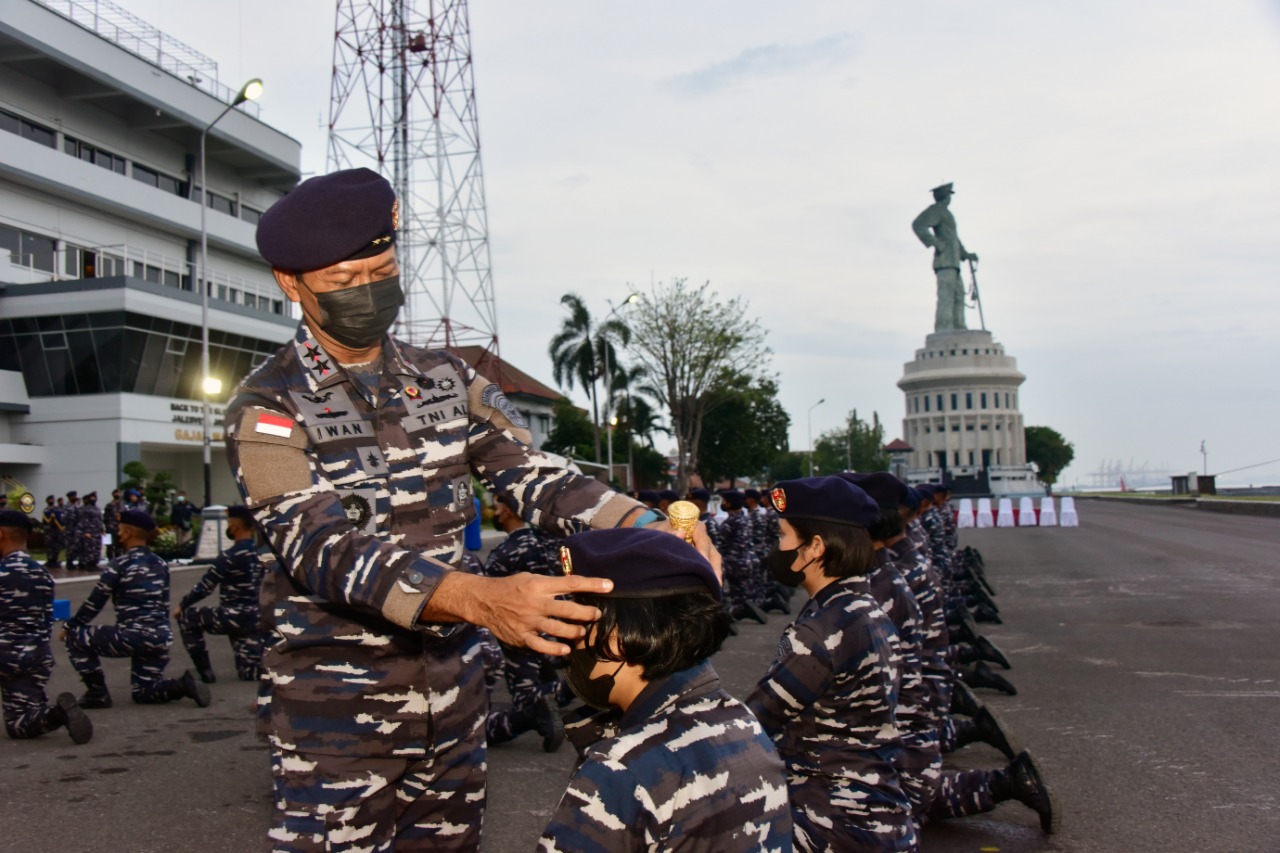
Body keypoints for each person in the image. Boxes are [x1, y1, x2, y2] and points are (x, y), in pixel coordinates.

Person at [226, 167, 719, 851]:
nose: (368, 289)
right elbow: (323, 548)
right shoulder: (267, 407)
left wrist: (648, 526)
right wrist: (480, 599)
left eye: (383, 266)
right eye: (344, 281)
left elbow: (534, 474)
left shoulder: (449, 379)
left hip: (455, 712)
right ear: (292, 282)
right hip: (336, 729)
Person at [539, 527, 791, 852]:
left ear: (620, 633)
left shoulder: (621, 767)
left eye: (578, 616)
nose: (567, 635)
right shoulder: (736, 717)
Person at [747, 476, 918, 853]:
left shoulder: (823, 631)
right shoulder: (865, 609)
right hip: (876, 815)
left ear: (815, 548)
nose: (777, 547)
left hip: (830, 825)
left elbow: (753, 724)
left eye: (783, 536)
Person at [61, 509, 210, 709]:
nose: (117, 533)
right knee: (144, 692)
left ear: (128, 533)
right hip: (160, 638)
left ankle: (97, 693)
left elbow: (94, 603)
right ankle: (181, 685)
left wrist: (70, 625)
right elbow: (163, 603)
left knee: (75, 637)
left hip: (132, 637)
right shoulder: (160, 563)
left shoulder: (119, 564)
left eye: (120, 529)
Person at [0, 510, 93, 744]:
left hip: (4, 655)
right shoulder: (43, 574)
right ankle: (57, 713)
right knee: (19, 723)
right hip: (36, 658)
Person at [482, 494, 563, 752]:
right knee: (546, 680)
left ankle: (533, 714)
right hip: (558, 632)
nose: (494, 511)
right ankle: (562, 692)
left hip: (520, 635)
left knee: (524, 696)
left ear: (507, 510)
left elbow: (485, 600)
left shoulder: (506, 552)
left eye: (497, 505)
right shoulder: (552, 542)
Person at [174, 505, 267, 683]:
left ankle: (205, 671)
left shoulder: (230, 556)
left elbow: (205, 587)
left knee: (188, 618)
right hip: (256, 619)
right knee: (248, 673)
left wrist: (182, 605)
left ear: (234, 526)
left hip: (232, 617)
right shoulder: (262, 555)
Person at [911, 183, 978, 332]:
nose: (950, 198)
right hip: (944, 261)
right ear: (945, 196)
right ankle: (944, 328)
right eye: (949, 195)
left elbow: (953, 238)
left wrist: (965, 254)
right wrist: (936, 244)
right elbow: (918, 225)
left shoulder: (947, 214)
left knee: (959, 295)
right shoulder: (936, 210)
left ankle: (959, 327)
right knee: (946, 296)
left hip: (953, 262)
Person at [73, 491, 104, 573]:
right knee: (90, 548)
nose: (93, 499)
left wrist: (102, 529)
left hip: (97, 531)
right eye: (92, 497)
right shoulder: (86, 509)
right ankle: (90, 564)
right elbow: (84, 521)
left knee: (97, 548)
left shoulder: (97, 508)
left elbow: (100, 520)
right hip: (90, 531)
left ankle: (95, 563)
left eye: (95, 497)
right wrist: (86, 532)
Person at [41, 495, 64, 569]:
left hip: (57, 531)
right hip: (49, 532)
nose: (52, 501)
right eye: (50, 500)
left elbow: (61, 517)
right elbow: (46, 521)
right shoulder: (46, 510)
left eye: (53, 499)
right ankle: (50, 561)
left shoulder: (57, 509)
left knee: (57, 546)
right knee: (50, 546)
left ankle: (55, 560)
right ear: (47, 501)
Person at [103, 489, 125, 560]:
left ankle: (118, 560)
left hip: (120, 528)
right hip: (110, 528)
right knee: (110, 546)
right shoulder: (109, 505)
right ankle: (110, 560)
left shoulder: (123, 506)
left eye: (119, 493)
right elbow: (105, 518)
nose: (118, 495)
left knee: (119, 546)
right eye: (116, 493)